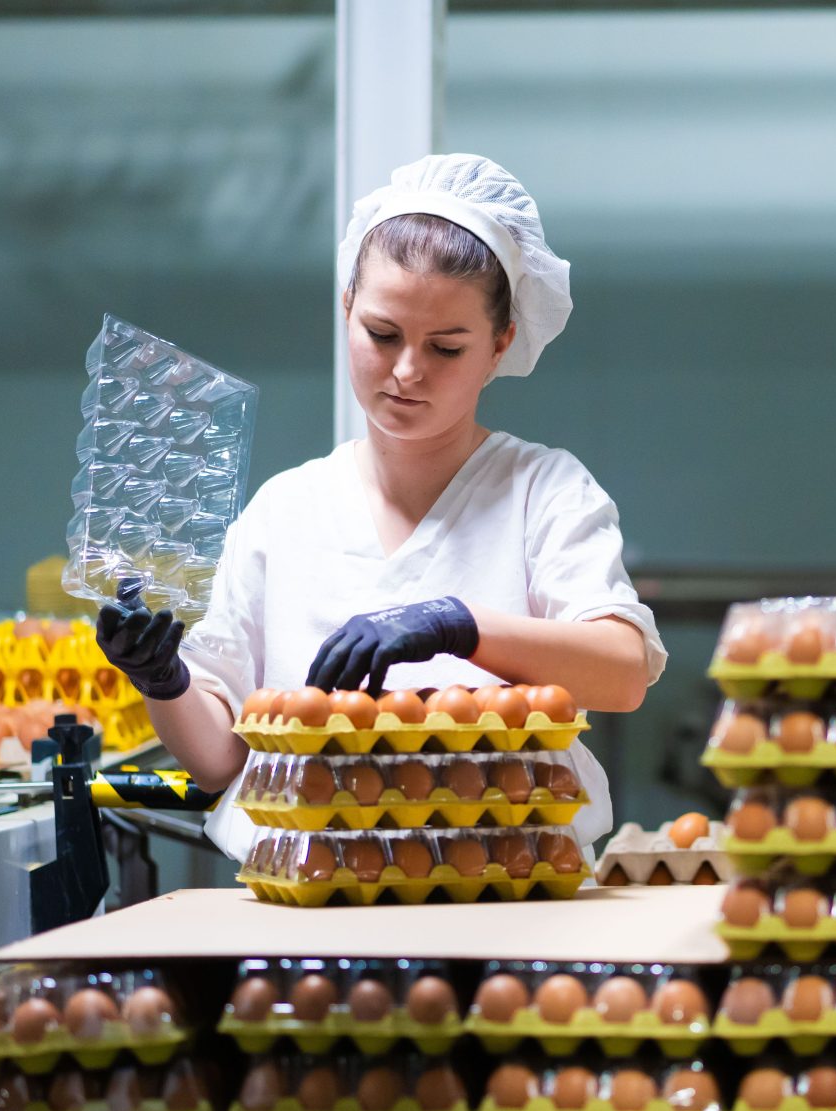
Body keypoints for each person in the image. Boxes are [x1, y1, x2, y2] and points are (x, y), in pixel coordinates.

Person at [95, 154, 666, 858]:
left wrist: (456, 626)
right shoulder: (288, 512)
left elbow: (622, 671)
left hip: (506, 894)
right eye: (382, 334)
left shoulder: (540, 492)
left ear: (500, 345)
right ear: (346, 309)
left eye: (447, 348)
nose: (405, 372)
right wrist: (164, 680)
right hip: (311, 915)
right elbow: (218, 760)